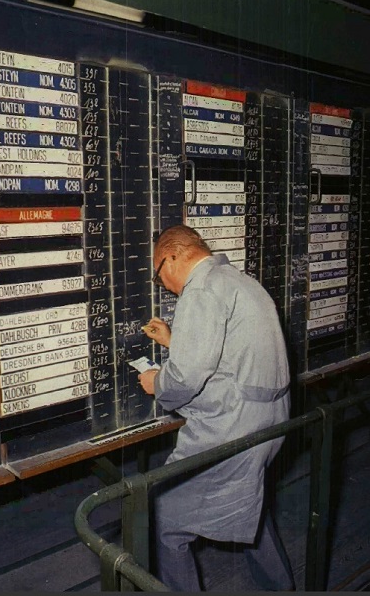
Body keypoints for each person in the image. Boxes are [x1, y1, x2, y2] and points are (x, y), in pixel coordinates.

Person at [138, 224, 295, 591]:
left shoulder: (201, 290)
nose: (164, 286)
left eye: (159, 276)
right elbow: (231, 355)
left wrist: (157, 383)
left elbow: (188, 377)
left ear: (172, 257)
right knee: (248, 500)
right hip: (271, 420)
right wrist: (174, 340)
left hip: (233, 427)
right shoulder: (240, 281)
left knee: (162, 514)